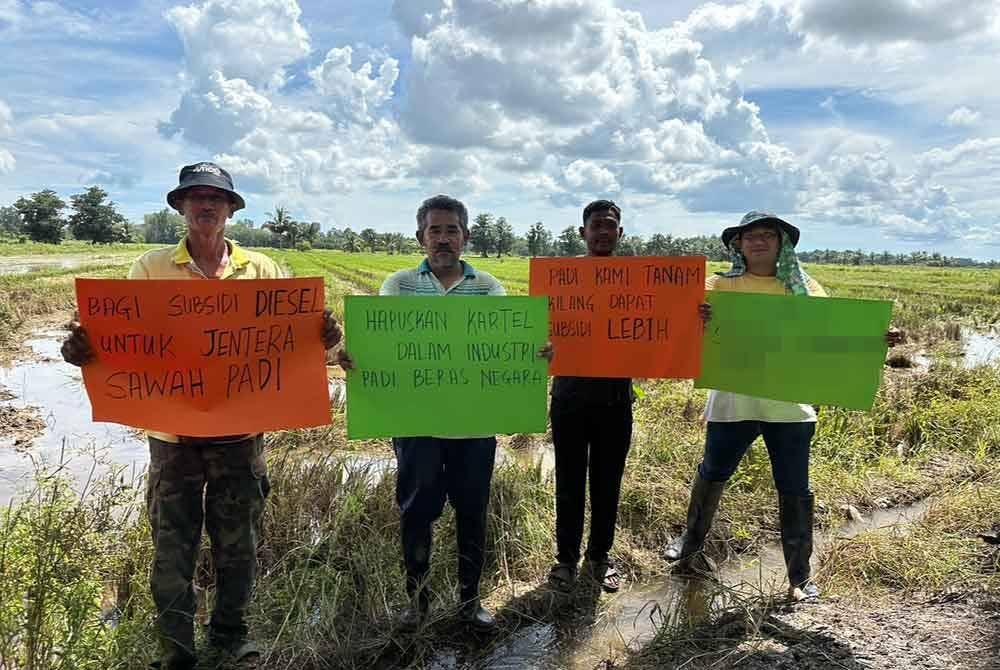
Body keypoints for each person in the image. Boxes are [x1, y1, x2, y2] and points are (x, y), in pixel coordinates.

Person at [60, 162, 342, 669]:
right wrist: (86, 349)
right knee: (173, 550)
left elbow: (291, 346)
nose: (206, 205)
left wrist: (322, 337)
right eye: (196, 197)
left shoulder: (264, 272)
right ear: (181, 207)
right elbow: (129, 344)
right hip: (173, 437)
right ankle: (177, 651)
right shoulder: (149, 269)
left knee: (240, 548)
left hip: (241, 435)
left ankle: (230, 638)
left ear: (232, 209)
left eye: (217, 197)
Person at [662, 211, 903, 601]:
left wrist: (875, 337)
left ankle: (800, 576)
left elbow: (832, 332)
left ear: (782, 244)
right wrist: (696, 315)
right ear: (737, 244)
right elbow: (677, 323)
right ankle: (689, 544)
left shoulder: (803, 288)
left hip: (789, 406)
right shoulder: (717, 287)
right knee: (712, 472)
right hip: (732, 400)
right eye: (750, 235)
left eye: (768, 235)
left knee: (794, 486)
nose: (758, 241)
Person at [339, 194, 550, 631]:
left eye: (451, 230)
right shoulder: (397, 286)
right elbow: (383, 350)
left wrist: (532, 353)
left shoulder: (489, 288)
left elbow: (499, 352)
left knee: (473, 511)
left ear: (465, 237)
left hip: (474, 425)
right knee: (417, 512)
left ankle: (470, 602)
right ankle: (416, 604)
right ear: (421, 237)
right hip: (416, 425)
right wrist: (357, 357)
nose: (443, 239)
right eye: (434, 230)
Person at [546, 200, 634, 594]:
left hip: (616, 398)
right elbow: (537, 328)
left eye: (610, 225)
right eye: (595, 225)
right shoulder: (560, 279)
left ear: (620, 233)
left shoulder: (637, 281)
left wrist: (693, 317)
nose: (602, 231)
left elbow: (667, 324)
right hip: (568, 395)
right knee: (568, 479)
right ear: (581, 233)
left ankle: (600, 556)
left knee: (607, 481)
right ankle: (565, 558)